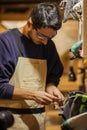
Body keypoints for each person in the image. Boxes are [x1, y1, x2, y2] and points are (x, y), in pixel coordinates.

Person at [0, 2, 64, 130]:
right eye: (41, 35)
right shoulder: (5, 43)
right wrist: (33, 94)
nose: (45, 42)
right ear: (29, 24)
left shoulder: (48, 45)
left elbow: (53, 73)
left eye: (51, 37)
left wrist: (51, 87)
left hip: (38, 122)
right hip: (8, 122)